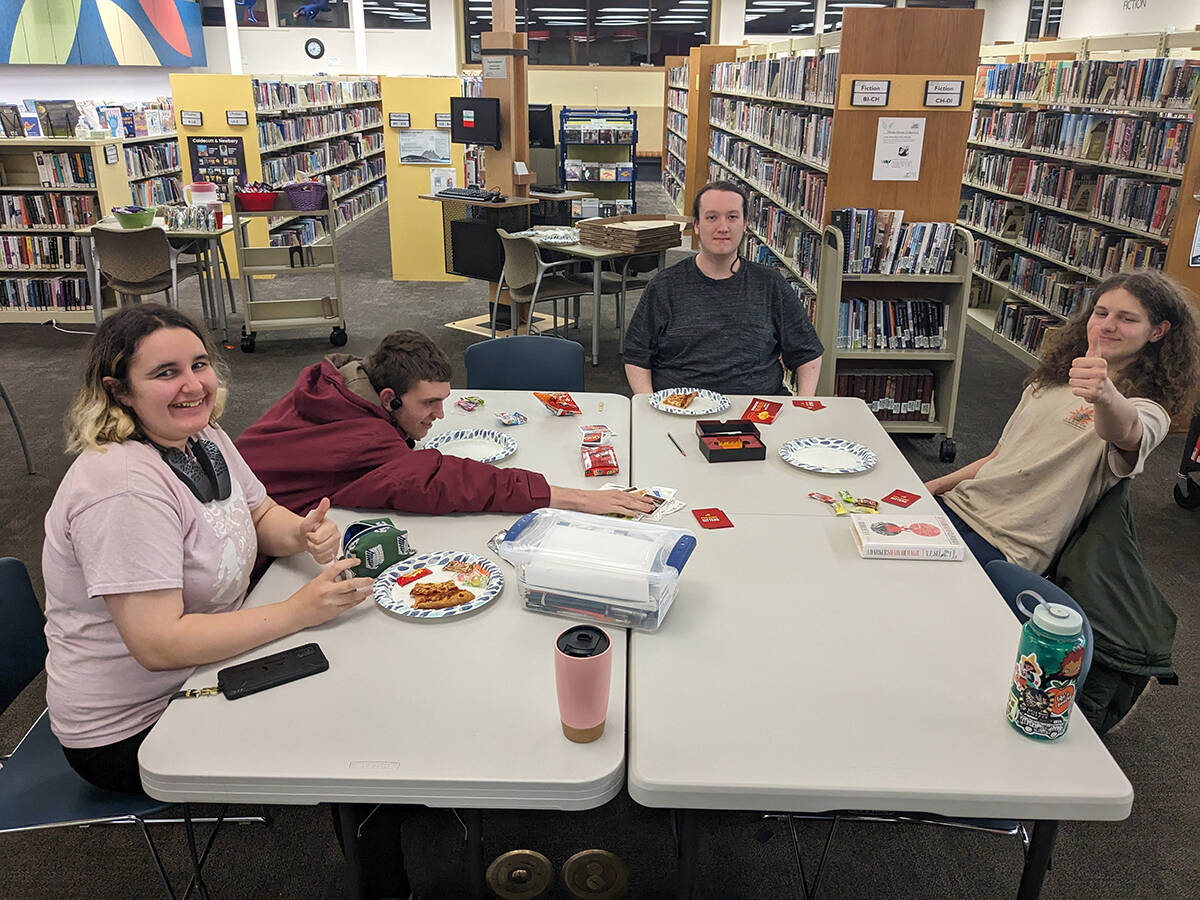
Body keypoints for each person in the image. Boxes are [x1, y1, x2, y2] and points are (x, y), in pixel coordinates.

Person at [42, 304, 373, 796]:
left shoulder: (200, 435)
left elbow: (260, 515)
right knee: (346, 718)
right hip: (138, 725)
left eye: (199, 365)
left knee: (353, 669)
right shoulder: (121, 489)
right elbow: (160, 645)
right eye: (165, 373)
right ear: (119, 391)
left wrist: (302, 533)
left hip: (206, 666)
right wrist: (297, 612)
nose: (193, 385)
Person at [926, 270, 1200, 573]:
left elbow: (1127, 432)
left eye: (1127, 319)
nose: (1108, 325)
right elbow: (997, 458)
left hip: (1005, 545)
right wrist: (932, 487)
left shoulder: (1147, 410)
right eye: (1101, 313)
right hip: (956, 507)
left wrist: (1104, 395)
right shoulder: (1050, 382)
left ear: (1158, 331)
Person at [235, 330, 656, 520]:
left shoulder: (334, 389)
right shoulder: (362, 438)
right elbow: (446, 482)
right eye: (429, 403)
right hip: (255, 556)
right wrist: (578, 499)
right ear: (388, 397)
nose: (439, 415)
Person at [622, 180, 824, 396]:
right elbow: (636, 355)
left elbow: (808, 352)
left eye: (732, 217)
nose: (723, 227)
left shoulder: (771, 284)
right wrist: (648, 404)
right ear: (696, 225)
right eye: (712, 217)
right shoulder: (664, 286)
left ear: (745, 224)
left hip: (758, 409)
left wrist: (803, 405)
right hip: (681, 407)